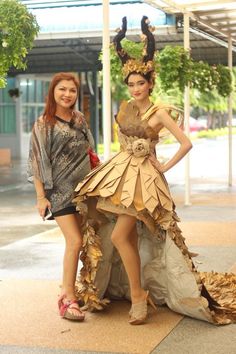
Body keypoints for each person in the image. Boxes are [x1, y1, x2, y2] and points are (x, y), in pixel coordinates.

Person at [73, 17, 235, 325]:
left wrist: (163, 166)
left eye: (140, 83)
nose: (135, 88)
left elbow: (186, 143)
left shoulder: (159, 112)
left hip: (144, 183)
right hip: (121, 177)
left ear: (150, 83)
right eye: (131, 84)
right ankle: (136, 293)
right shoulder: (126, 108)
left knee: (121, 235)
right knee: (124, 236)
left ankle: (138, 297)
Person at [27, 72, 97, 322]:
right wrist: (40, 197)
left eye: (72, 91)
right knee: (75, 241)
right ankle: (67, 299)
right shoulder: (43, 124)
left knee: (89, 241)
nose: (67, 94)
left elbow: (89, 149)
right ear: (53, 92)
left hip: (85, 191)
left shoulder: (79, 118)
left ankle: (79, 287)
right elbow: (36, 161)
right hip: (59, 193)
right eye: (62, 89)